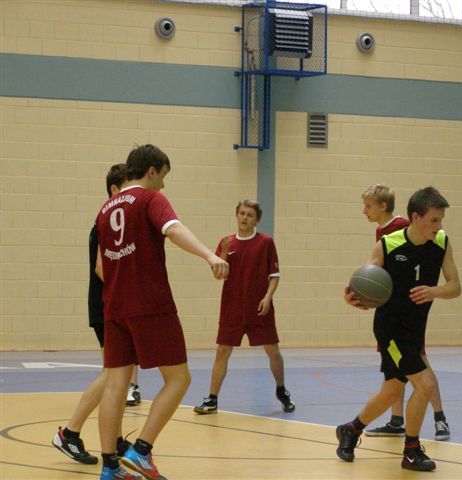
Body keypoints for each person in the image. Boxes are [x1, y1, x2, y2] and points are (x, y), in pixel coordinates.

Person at [96, 145, 228, 480]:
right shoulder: (150, 199)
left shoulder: (105, 209)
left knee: (114, 385)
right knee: (179, 379)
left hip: (114, 306)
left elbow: (100, 266)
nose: (164, 185)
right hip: (149, 303)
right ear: (151, 170)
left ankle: (110, 467)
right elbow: (174, 229)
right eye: (163, 176)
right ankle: (141, 451)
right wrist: (209, 256)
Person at [336, 187, 461, 472]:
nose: (439, 225)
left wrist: (435, 291)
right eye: (434, 220)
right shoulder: (388, 244)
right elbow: (363, 280)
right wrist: (352, 295)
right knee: (425, 384)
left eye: (441, 219)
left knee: (393, 391)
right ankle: (411, 451)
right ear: (416, 218)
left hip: (415, 330)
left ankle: (350, 429)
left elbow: (455, 286)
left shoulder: (442, 242)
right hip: (390, 329)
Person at [52, 164, 142, 464]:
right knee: (113, 374)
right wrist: (129, 290)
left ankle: (115, 440)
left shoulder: (117, 220)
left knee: (120, 375)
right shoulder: (106, 220)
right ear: (115, 189)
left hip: (116, 305)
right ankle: (69, 433)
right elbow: (103, 268)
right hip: (107, 305)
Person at [361, 184, 451, 441]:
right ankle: (398, 422)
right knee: (399, 381)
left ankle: (438, 418)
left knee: (418, 374)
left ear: (383, 206)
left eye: (368, 206)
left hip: (411, 320)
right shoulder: (384, 235)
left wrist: (435, 291)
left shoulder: (403, 228)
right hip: (392, 321)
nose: (364, 211)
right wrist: (359, 295)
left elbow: (452, 283)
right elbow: (372, 278)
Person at [194, 200, 295, 415]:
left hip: (259, 307)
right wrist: (223, 252)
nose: (244, 217)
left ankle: (281, 390)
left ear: (256, 220)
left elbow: (274, 275)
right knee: (222, 351)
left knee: (273, 351)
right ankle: (212, 399)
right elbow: (218, 275)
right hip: (232, 307)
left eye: (249, 215)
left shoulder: (266, 243)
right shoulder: (226, 242)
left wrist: (267, 297)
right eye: (241, 213)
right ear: (236, 215)